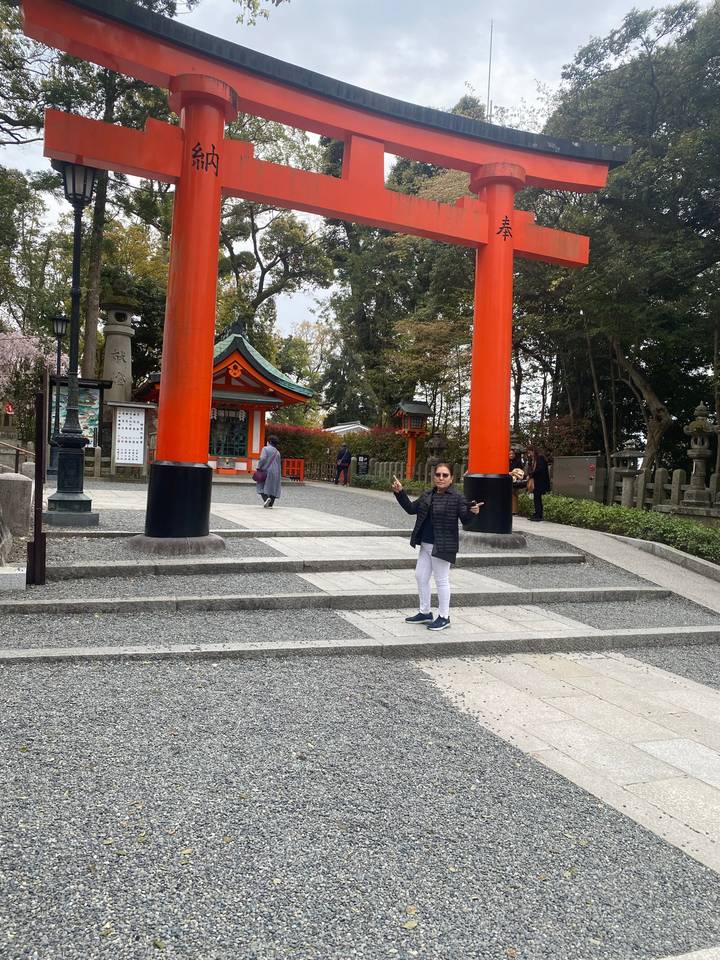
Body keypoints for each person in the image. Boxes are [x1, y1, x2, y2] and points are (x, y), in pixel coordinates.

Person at [391, 462, 482, 632]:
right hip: (425, 544)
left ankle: (444, 616)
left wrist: (473, 512)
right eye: (438, 474)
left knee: (441, 580)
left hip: (442, 545)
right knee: (420, 576)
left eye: (445, 475)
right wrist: (400, 493)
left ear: (451, 478)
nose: (441, 478)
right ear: (434, 476)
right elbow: (411, 509)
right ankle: (425, 612)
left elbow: (466, 519)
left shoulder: (457, 497)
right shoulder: (428, 494)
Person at [255, 435, 282, 508]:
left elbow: (263, 459)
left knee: (260, 486)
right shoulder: (277, 452)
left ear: (269, 442)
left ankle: (266, 499)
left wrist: (259, 467)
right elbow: (279, 464)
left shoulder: (265, 449)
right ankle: (270, 504)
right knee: (273, 487)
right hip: (276, 472)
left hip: (266, 471)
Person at [525, 443, 550, 521]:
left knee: (537, 498)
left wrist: (531, 474)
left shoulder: (540, 458)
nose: (529, 454)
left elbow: (540, 469)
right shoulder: (534, 459)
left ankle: (539, 515)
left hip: (540, 482)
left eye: (529, 452)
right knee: (536, 498)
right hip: (537, 481)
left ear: (533, 451)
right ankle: (537, 514)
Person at [509, 447, 526, 515]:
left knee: (514, 494)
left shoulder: (518, 461)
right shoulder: (505, 461)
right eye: (509, 454)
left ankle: (514, 510)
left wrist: (514, 473)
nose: (511, 455)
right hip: (507, 479)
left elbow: (521, 471)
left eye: (512, 454)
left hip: (515, 480)